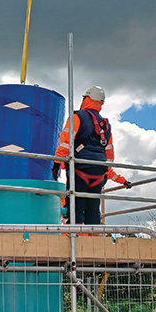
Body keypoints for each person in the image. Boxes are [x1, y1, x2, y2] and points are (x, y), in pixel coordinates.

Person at [52, 86, 131, 225]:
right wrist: (113, 176)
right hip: (99, 172)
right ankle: (93, 241)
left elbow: (65, 142)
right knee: (93, 209)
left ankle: (75, 239)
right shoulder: (106, 125)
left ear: (86, 99)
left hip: (80, 169)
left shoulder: (77, 117)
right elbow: (109, 155)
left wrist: (57, 163)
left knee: (76, 205)